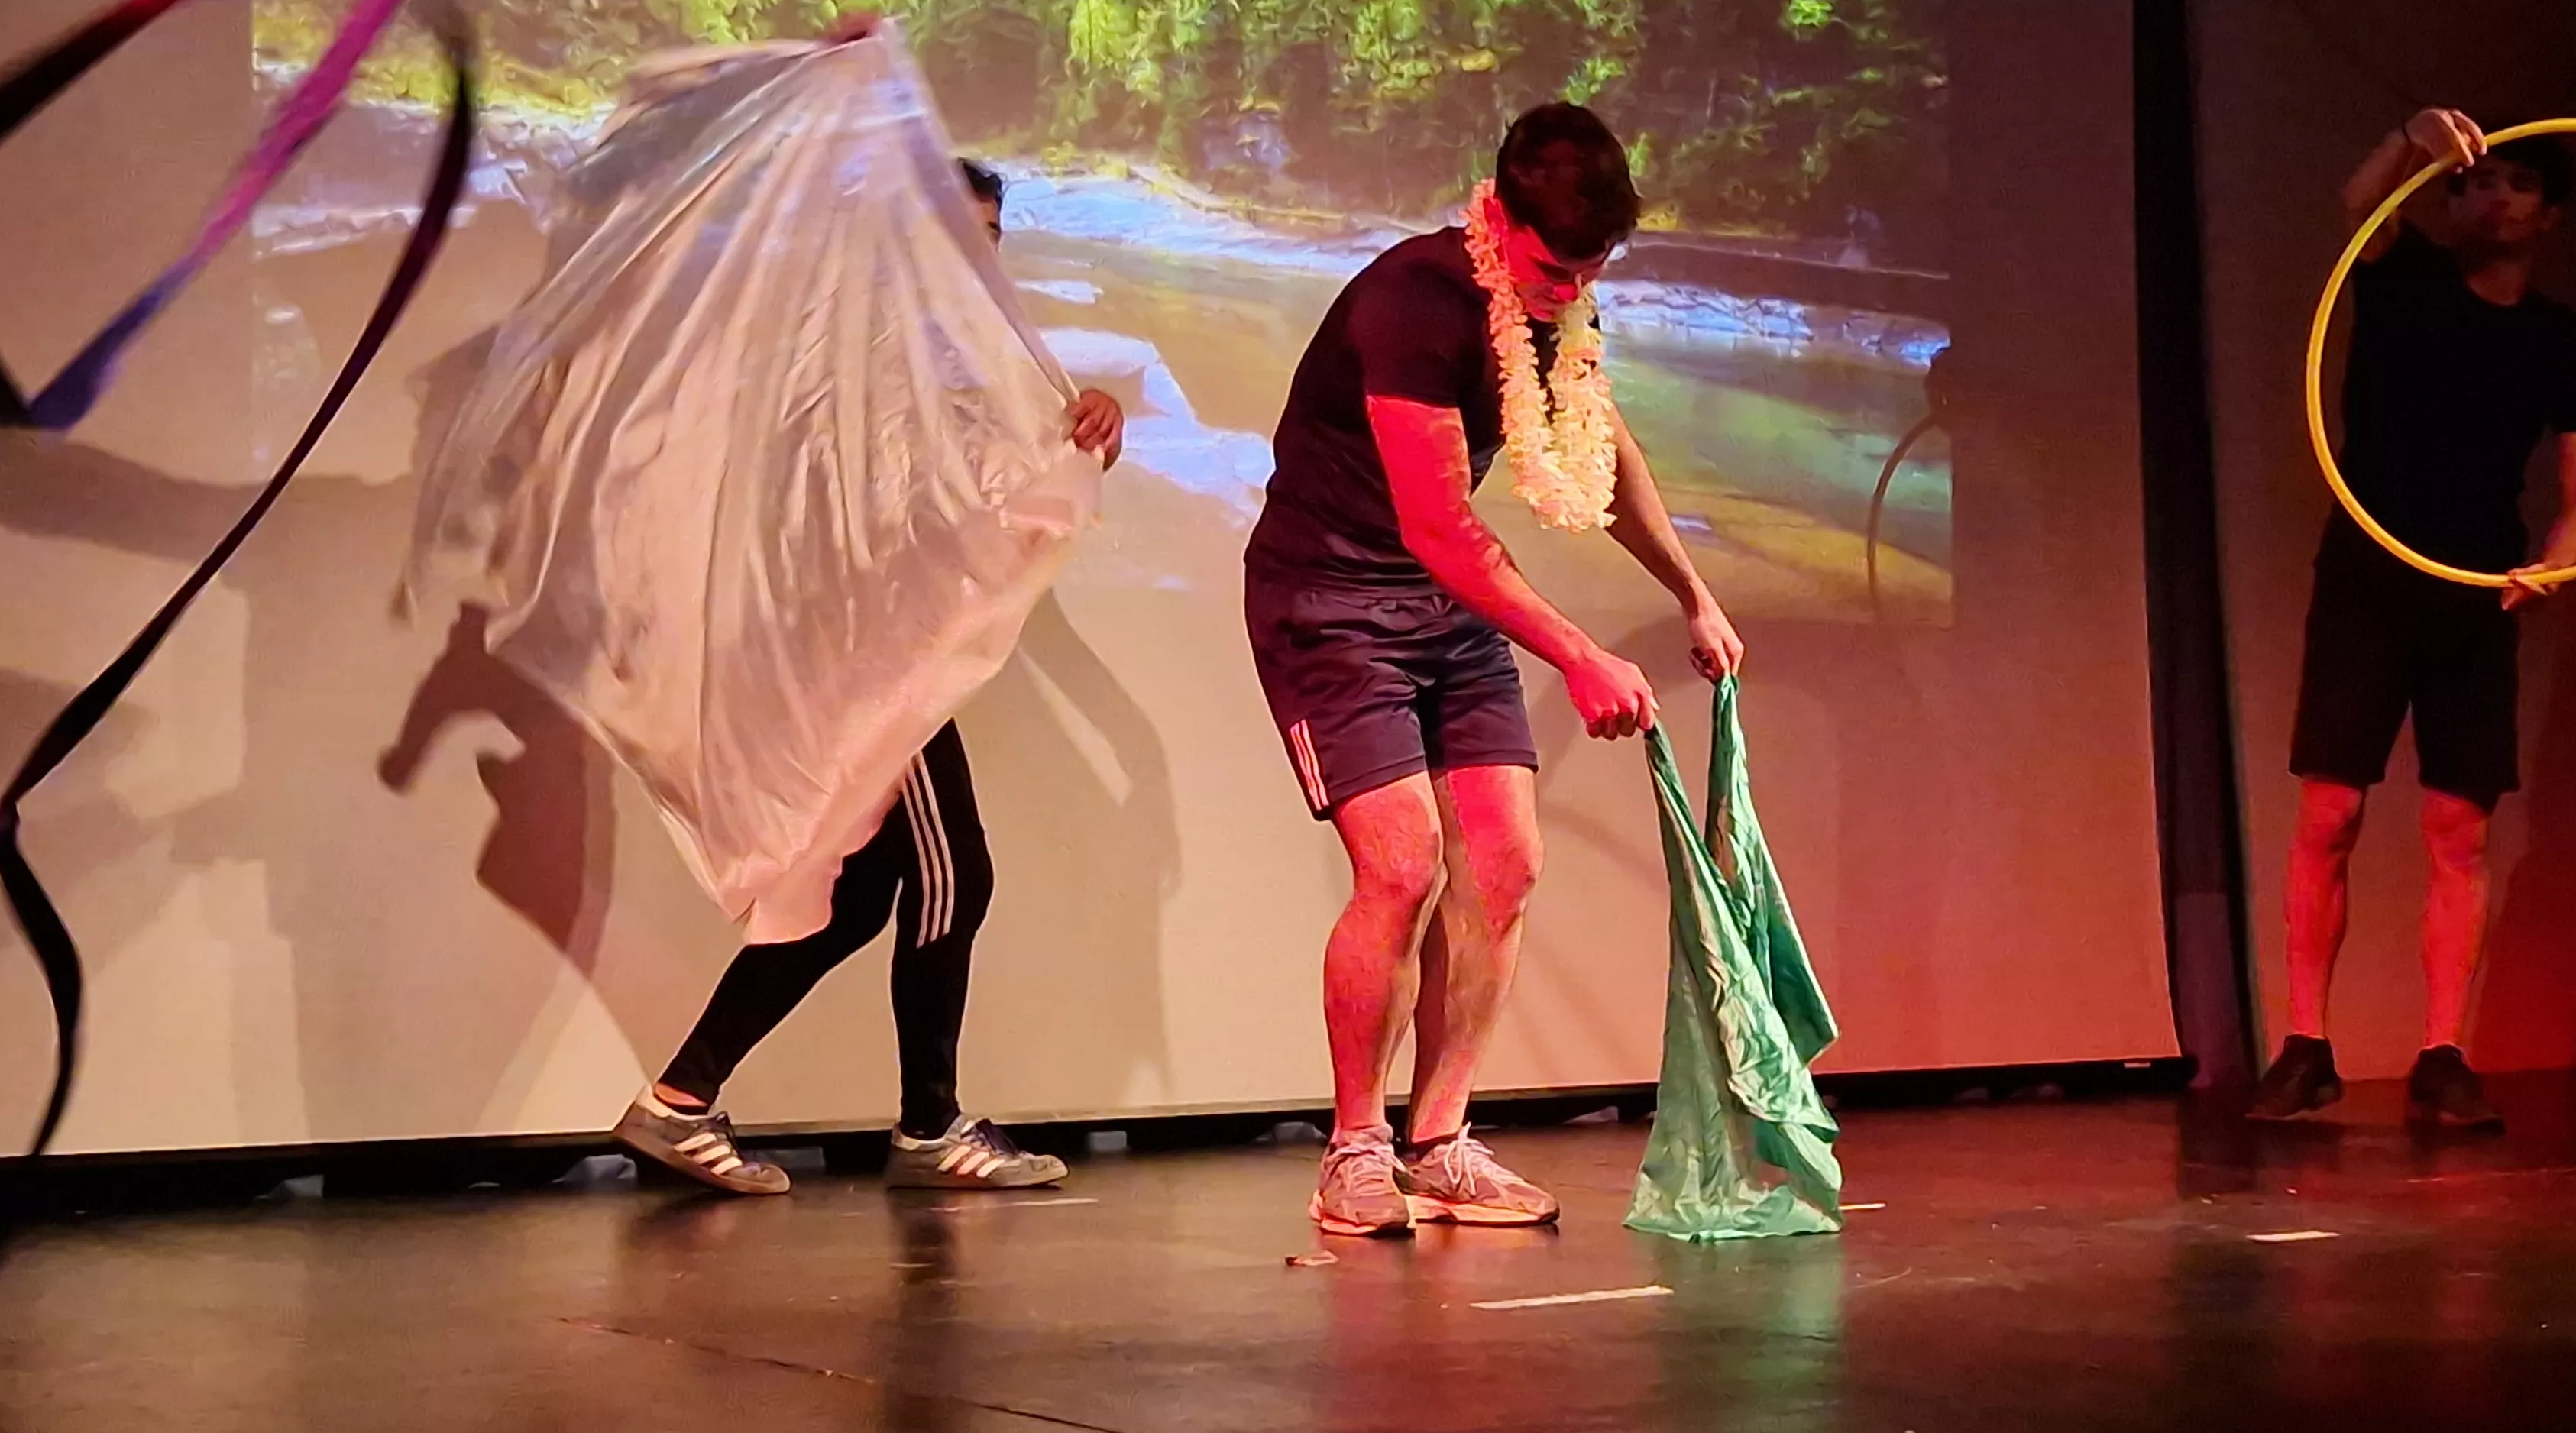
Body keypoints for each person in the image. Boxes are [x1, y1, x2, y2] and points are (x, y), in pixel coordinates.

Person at [1244, 104, 1745, 1237]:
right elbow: (1437, 527)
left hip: (1447, 608)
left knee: (1507, 862)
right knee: (1405, 864)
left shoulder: (1558, 309)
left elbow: (1599, 441)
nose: (1568, 290)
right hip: (1332, 604)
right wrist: (1576, 651)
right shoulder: (1417, 304)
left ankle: (1441, 1142)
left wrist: (1690, 591)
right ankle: (1355, 1148)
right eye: (1549, 266)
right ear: (1495, 215)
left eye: (1590, 273)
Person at [613, 156, 1128, 1194]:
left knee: (851, 899)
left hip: (884, 654)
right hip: (857, 658)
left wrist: (1089, 422)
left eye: (988, 237)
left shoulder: (976, 360)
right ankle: (930, 1127)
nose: (974, 257)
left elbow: (998, 484)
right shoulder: (855, 350)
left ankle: (678, 1101)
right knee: (953, 873)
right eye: (952, 235)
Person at [2250, 108, 2576, 1131]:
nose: (2484, 196)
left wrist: (2557, 565)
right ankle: (2307, 1045)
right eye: (2470, 181)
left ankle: (2442, 1052)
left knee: (2459, 825)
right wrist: (2411, 142)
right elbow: (2358, 205)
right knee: (2332, 810)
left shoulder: (2559, 341)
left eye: (2510, 184)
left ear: (2547, 218)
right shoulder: (2404, 279)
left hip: (2474, 583)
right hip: (2369, 572)